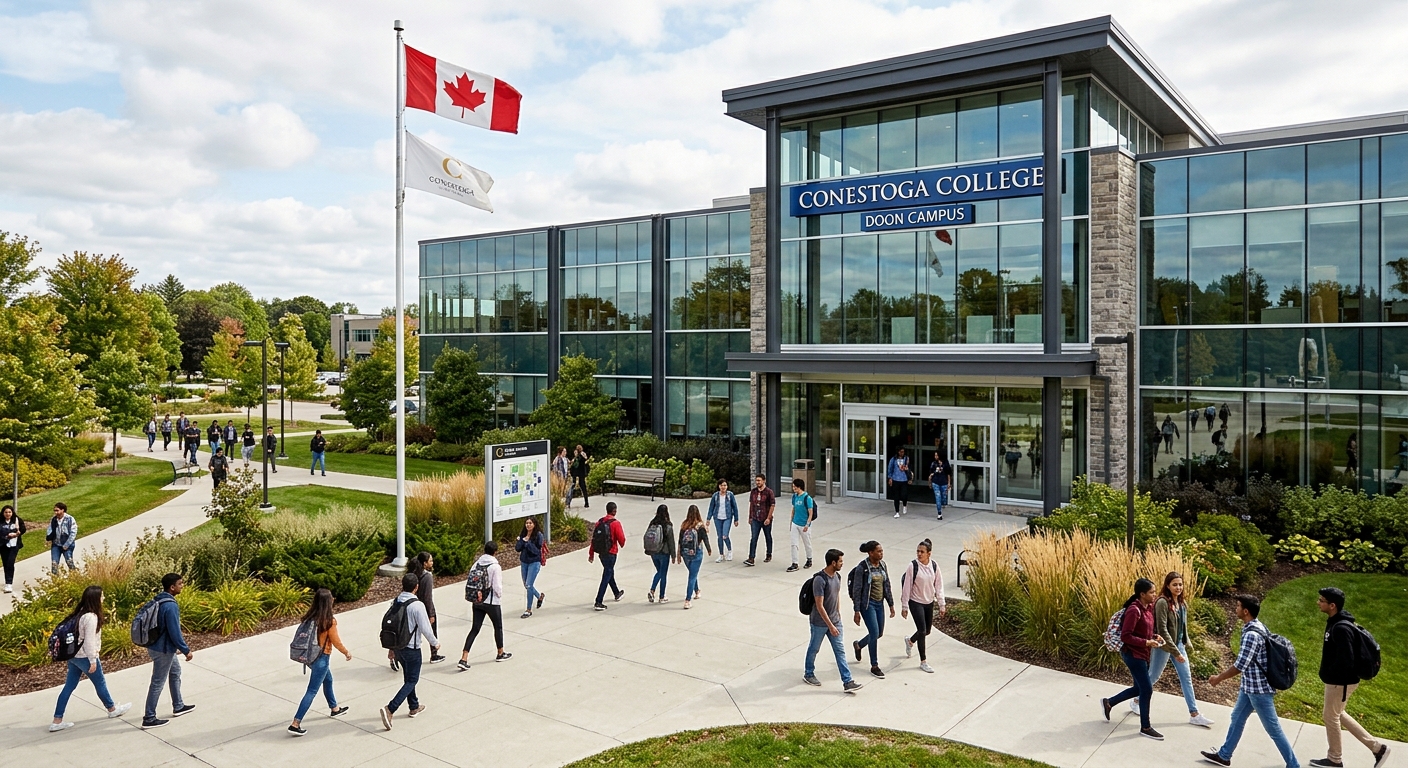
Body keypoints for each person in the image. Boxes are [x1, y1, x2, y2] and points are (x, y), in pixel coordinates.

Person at [1200, 594, 1301, 768]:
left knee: (1274, 729)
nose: (1236, 609)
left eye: (1238, 606)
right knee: (1237, 717)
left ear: (1246, 611)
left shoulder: (1251, 635)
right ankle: (1224, 755)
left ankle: (1293, 765)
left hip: (1259, 690)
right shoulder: (1258, 626)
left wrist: (1218, 678)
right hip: (1249, 687)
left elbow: (1240, 665)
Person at [1310, 587, 1389, 768]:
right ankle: (1378, 749)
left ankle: (1334, 759)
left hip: (1341, 682)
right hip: (1338, 681)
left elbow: (1347, 660)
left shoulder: (1341, 628)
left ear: (1332, 605)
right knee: (1337, 714)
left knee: (1330, 717)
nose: (1318, 602)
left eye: (1321, 600)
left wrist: (1332, 675)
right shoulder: (1336, 622)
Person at [1134, 572, 1214, 727]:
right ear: (1168, 586)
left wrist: (1186, 643)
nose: (1178, 587)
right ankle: (1136, 700)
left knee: (1186, 678)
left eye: (1180, 584)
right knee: (1153, 677)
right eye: (1175, 584)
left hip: (1178, 645)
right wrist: (1175, 652)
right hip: (1164, 645)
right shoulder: (1162, 602)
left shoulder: (1182, 603)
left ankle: (1194, 714)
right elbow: (1163, 630)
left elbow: (1183, 626)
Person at [50, 585, 131, 731]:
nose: (104, 598)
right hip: (85, 656)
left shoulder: (80, 614)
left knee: (69, 686)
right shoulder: (91, 618)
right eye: (102, 596)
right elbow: (89, 641)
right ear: (96, 599)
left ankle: (57, 720)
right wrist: (93, 660)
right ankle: (112, 709)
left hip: (74, 656)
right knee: (100, 683)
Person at [1100, 577, 1166, 741]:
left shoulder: (1148, 607)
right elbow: (1126, 636)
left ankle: (1109, 702)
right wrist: (1146, 642)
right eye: (1151, 592)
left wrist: (1154, 637)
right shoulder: (1133, 610)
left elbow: (1144, 629)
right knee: (1147, 689)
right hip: (1133, 655)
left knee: (1139, 688)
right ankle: (1146, 727)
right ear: (1142, 594)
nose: (1154, 595)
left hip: (1143, 653)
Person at [379, 573, 439, 730]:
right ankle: (390, 708)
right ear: (416, 587)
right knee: (412, 680)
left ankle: (414, 706)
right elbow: (426, 628)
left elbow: (392, 626)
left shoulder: (396, 601)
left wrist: (391, 650)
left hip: (398, 648)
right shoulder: (417, 605)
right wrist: (435, 643)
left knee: (408, 678)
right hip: (412, 649)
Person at [287, 588, 351, 736]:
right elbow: (336, 641)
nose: (333, 599)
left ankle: (334, 708)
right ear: (328, 602)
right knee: (311, 691)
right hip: (321, 659)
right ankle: (295, 723)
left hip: (310, 657)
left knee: (328, 680)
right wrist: (346, 652)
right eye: (331, 598)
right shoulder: (329, 621)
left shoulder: (310, 617)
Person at [803, 548, 862, 693]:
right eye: (840, 561)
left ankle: (847, 682)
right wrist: (830, 626)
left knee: (840, 651)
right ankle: (808, 673)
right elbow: (819, 605)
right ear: (833, 562)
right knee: (814, 648)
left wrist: (838, 615)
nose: (842, 564)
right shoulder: (820, 580)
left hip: (835, 622)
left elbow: (836, 597)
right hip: (819, 623)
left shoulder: (838, 577)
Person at [143, 573, 195, 729]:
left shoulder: (159, 599)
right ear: (172, 587)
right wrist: (186, 650)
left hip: (156, 646)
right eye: (180, 584)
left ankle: (178, 705)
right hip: (163, 650)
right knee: (158, 682)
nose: (182, 586)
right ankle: (149, 717)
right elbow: (175, 632)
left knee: (175, 673)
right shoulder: (170, 605)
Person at [457, 541, 510, 670]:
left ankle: (464, 658)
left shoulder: (477, 564)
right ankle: (500, 652)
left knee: (475, 629)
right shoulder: (495, 566)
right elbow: (497, 586)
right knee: (498, 627)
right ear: (495, 552)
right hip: (491, 602)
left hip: (477, 601)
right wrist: (500, 595)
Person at [849, 541, 895, 679]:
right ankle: (874, 665)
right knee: (874, 632)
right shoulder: (862, 568)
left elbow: (886, 584)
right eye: (878, 551)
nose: (881, 553)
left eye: (882, 551)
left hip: (879, 604)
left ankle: (859, 645)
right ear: (870, 553)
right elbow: (857, 590)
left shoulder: (882, 565)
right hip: (867, 605)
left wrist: (891, 604)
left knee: (879, 633)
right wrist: (856, 611)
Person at [899, 538, 945, 673]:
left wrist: (941, 604)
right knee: (922, 631)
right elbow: (907, 586)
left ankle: (910, 641)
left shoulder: (934, 566)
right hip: (916, 602)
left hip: (928, 602)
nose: (919, 554)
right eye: (918, 551)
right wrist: (904, 606)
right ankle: (923, 661)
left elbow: (939, 585)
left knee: (927, 630)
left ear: (929, 554)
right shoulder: (912, 566)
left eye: (922, 552)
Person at [588, 501, 626, 610]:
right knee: (607, 575)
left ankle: (617, 593)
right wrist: (621, 543)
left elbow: (594, 539)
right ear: (614, 511)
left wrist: (591, 554)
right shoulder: (615, 523)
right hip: (611, 553)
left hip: (601, 553)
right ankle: (598, 601)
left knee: (609, 572)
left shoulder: (599, 522)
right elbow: (622, 540)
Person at [408, 552, 443, 663]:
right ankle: (434, 655)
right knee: (431, 631)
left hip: (412, 606)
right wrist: (431, 613)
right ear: (424, 563)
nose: (432, 562)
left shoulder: (413, 574)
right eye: (430, 561)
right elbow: (428, 597)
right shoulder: (427, 577)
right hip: (424, 608)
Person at [678, 505, 711, 609]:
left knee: (692, 573)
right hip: (697, 553)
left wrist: (679, 554)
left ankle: (697, 591)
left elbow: (680, 540)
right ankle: (687, 600)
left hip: (685, 554)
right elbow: (705, 539)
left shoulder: (684, 524)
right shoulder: (700, 526)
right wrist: (709, 549)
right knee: (692, 576)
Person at [514, 517, 547, 618]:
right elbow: (517, 548)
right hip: (524, 562)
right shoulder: (523, 534)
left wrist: (526, 543)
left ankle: (528, 609)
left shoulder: (538, 535)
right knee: (527, 585)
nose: (528, 525)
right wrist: (521, 541)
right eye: (527, 523)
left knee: (529, 585)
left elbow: (536, 551)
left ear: (534, 524)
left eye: (530, 523)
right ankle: (539, 596)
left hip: (534, 562)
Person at [645, 504, 676, 603]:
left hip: (653, 552)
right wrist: (673, 555)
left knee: (659, 571)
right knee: (663, 574)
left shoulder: (652, 523)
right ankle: (660, 595)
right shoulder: (668, 525)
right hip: (664, 552)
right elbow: (671, 541)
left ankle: (653, 591)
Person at [745, 474, 775, 566]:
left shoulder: (769, 492)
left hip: (765, 518)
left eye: (759, 480)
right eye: (756, 480)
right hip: (755, 518)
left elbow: (772, 505)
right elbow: (751, 504)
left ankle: (769, 554)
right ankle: (751, 558)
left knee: (768, 536)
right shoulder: (753, 492)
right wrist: (750, 517)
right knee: (754, 538)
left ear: (764, 481)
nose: (757, 482)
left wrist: (769, 518)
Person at [787, 478, 815, 573]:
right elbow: (793, 509)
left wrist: (807, 524)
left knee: (807, 543)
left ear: (799, 487)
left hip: (804, 524)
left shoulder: (807, 498)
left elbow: (810, 512)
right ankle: (795, 562)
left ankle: (809, 558)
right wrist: (791, 521)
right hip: (795, 523)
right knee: (794, 544)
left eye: (795, 487)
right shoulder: (794, 497)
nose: (793, 488)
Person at [707, 479, 739, 562]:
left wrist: (736, 518)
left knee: (725, 536)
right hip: (717, 517)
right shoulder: (715, 496)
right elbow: (711, 507)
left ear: (727, 486)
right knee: (720, 537)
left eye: (725, 485)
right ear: (719, 486)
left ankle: (729, 550)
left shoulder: (730, 495)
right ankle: (721, 554)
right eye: (721, 485)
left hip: (727, 517)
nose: (723, 487)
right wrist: (708, 518)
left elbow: (734, 507)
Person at [46, 502, 77, 575]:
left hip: (67, 545)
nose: (55, 512)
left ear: (63, 510)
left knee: (69, 562)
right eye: (55, 511)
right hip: (56, 544)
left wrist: (67, 544)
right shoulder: (54, 519)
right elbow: (49, 529)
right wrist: (48, 538)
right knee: (54, 563)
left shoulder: (70, 519)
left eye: (57, 510)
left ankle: (75, 576)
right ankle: (55, 580)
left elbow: (73, 533)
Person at [2, 504, 26, 593]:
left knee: (10, 563)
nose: (8, 514)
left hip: (14, 545)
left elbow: (23, 529)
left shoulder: (16, 520)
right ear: (3, 513)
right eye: (6, 512)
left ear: (12, 513)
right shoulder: (1, 522)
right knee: (5, 564)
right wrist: (7, 535)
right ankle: (7, 581)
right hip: (3, 545)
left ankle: (9, 583)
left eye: (9, 512)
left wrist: (17, 533)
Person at [927, 448, 951, 520]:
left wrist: (949, 483)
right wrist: (930, 480)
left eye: (937, 455)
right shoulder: (934, 463)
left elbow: (948, 474)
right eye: (935, 455)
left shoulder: (945, 463)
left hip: (944, 482)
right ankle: (939, 513)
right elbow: (931, 473)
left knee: (943, 498)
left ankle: (943, 504)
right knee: (938, 497)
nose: (935, 456)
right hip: (936, 482)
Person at [887, 447, 911, 518]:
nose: (902, 453)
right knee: (896, 496)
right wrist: (890, 478)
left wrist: (907, 469)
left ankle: (904, 504)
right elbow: (890, 469)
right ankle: (897, 511)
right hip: (895, 479)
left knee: (904, 494)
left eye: (903, 452)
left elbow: (909, 468)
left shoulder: (906, 459)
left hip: (904, 479)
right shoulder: (893, 459)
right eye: (900, 452)